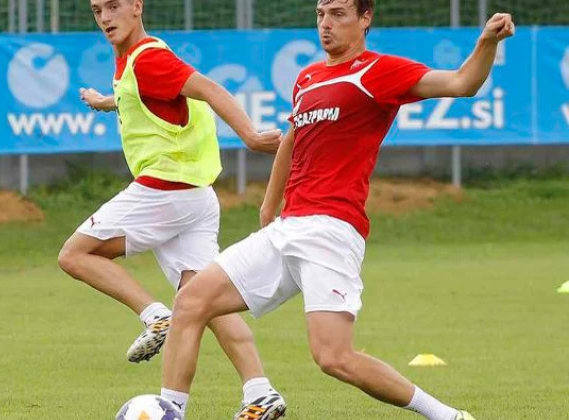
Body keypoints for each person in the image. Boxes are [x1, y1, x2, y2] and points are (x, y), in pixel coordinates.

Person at [160, 1, 515, 419]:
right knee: (190, 302)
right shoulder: (307, 77)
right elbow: (292, 140)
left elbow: (461, 83)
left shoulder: (379, 71)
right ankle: (170, 412)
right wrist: (269, 207)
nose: (326, 24)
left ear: (365, 18)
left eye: (338, 14)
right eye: (320, 14)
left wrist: (486, 42)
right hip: (288, 227)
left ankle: (448, 416)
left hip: (331, 230)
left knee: (333, 357)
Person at [57, 0, 284, 414]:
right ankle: (259, 391)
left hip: (166, 189)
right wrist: (107, 101)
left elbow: (210, 89)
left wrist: (251, 137)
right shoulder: (135, 61)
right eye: (97, 10)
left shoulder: (149, 60)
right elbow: (141, 95)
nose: (105, 18)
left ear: (137, 6)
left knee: (75, 255)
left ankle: (154, 315)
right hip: (196, 197)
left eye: (114, 6)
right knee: (204, 302)